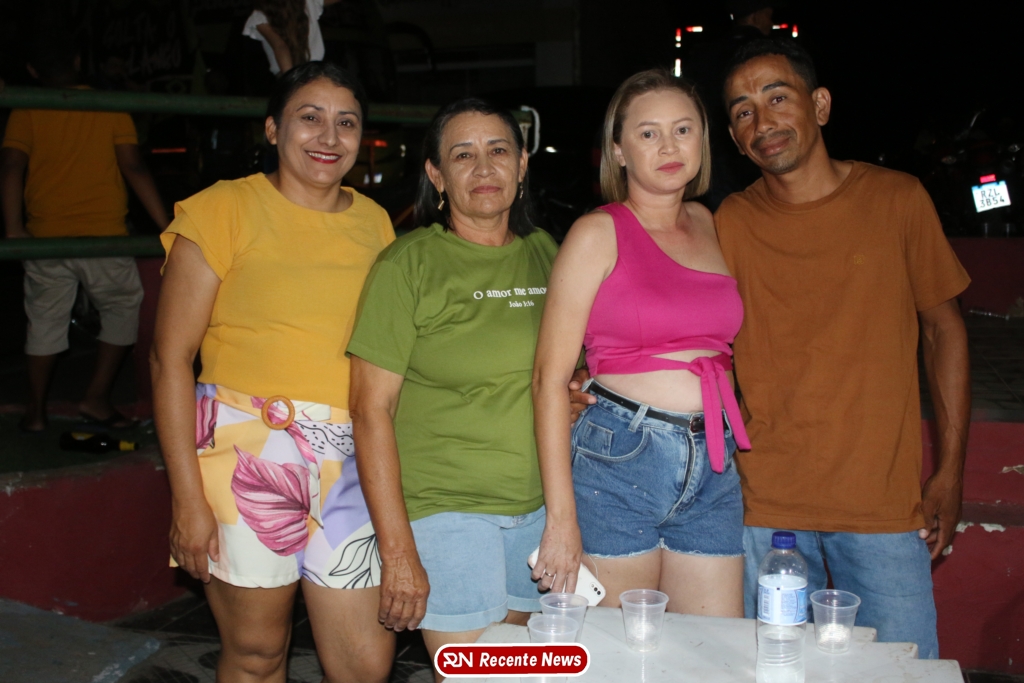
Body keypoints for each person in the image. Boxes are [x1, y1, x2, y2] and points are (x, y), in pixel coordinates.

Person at [716, 39, 971, 658]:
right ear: (734, 138)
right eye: (744, 111)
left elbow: (945, 331)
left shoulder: (897, 199)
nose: (763, 121)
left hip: (881, 504)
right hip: (766, 506)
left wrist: (950, 470)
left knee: (903, 670)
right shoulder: (730, 222)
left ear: (821, 105)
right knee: (776, 671)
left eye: (778, 97)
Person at [151, 62, 394, 683]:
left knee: (365, 665)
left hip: (353, 455)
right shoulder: (222, 209)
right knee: (257, 653)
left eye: (346, 122)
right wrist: (186, 498)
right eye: (309, 117)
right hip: (245, 448)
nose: (329, 137)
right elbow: (169, 358)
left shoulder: (376, 222)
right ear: (272, 129)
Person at [347, 97, 556, 680]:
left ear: (522, 164)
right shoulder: (407, 264)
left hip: (537, 511)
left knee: (520, 674)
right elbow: (369, 411)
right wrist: (398, 552)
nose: (484, 168)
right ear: (436, 175)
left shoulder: (547, 253)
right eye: (463, 155)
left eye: (499, 151)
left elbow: (567, 368)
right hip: (447, 508)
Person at [532, 69, 751, 617]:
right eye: (649, 133)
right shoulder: (596, 232)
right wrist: (561, 521)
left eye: (683, 129)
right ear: (619, 150)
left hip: (713, 462)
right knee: (620, 651)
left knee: (712, 651)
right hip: (621, 457)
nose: (669, 146)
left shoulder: (709, 222)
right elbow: (547, 381)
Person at [0, 37, 168, 433]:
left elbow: (10, 166)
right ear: (78, 60)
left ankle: (36, 412)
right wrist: (166, 225)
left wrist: (13, 228)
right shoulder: (107, 105)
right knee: (122, 306)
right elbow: (134, 167)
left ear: (33, 71)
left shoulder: (27, 107)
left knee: (44, 321)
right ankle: (95, 398)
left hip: (47, 237)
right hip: (104, 235)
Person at [244, 0, 340, 75]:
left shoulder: (308, 3)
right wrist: (291, 81)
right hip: (302, 74)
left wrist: (290, 81)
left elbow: (280, 47)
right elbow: (281, 47)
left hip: (310, 73)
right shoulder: (260, 16)